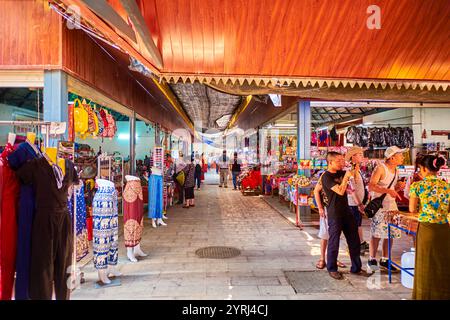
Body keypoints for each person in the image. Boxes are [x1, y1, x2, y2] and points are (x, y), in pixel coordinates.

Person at [409, 154, 450, 300]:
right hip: (445, 229)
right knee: (443, 262)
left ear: (425, 169)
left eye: (420, 168)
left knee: (425, 263)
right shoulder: (447, 186)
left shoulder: (417, 186)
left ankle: (424, 295)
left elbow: (412, 209)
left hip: (426, 229)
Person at [321, 152, 362, 279]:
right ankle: (332, 268)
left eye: (342, 160)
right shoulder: (326, 177)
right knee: (334, 242)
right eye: (338, 161)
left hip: (347, 211)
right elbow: (340, 191)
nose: (341, 163)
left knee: (354, 240)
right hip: (334, 214)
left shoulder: (342, 172)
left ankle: (356, 267)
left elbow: (354, 177)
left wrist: (356, 163)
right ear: (330, 162)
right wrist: (345, 178)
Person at [367, 146, 406, 273]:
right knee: (377, 234)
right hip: (380, 207)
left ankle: (385, 259)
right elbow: (371, 186)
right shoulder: (380, 168)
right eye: (400, 155)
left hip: (392, 206)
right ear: (392, 157)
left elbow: (392, 191)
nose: (403, 157)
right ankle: (372, 259)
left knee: (391, 234)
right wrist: (388, 190)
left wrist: (398, 187)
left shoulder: (396, 170)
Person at [313, 172, 347, 270]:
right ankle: (322, 258)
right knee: (324, 235)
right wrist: (320, 208)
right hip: (327, 208)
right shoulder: (326, 175)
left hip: (338, 210)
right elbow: (316, 191)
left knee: (336, 235)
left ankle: (333, 258)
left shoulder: (343, 173)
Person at [345, 147, 369, 255]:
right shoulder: (351, 171)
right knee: (355, 225)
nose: (361, 156)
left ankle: (360, 243)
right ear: (353, 157)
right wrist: (359, 204)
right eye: (359, 154)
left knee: (358, 224)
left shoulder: (357, 170)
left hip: (357, 203)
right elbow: (352, 189)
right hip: (353, 203)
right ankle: (355, 245)